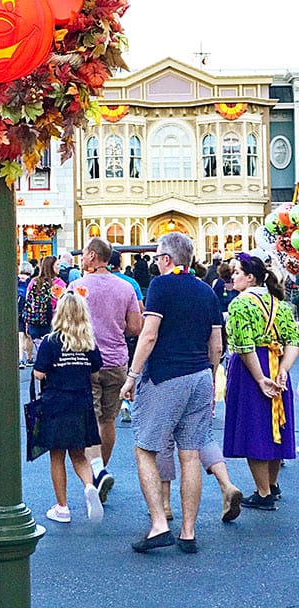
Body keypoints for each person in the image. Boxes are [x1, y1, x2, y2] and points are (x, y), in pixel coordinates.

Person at [120, 232, 222, 553]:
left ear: (166, 259)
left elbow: (148, 336)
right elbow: (216, 344)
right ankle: (188, 532)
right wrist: (210, 376)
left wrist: (132, 375)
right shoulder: (207, 292)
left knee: (145, 449)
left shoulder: (162, 286)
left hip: (167, 376)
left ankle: (159, 524)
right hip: (201, 375)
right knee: (190, 453)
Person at [223, 252, 299, 510]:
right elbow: (293, 341)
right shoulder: (280, 303)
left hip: (252, 367)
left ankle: (263, 492)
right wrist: (284, 370)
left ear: (250, 277)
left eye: (236, 273)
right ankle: (273, 484)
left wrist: (260, 378)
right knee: (275, 425)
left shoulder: (240, 304)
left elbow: (244, 346)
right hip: (277, 362)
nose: (233, 277)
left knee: (254, 428)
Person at [75, 239, 141, 503]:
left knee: (90, 418)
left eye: (84, 254)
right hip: (116, 360)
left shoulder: (78, 287)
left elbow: (66, 323)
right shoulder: (125, 287)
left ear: (92, 255)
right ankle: (103, 468)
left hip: (85, 359)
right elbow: (135, 327)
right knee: (108, 419)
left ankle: (97, 471)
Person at [33, 292, 103, 523]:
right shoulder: (88, 342)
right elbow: (95, 371)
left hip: (56, 402)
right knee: (79, 454)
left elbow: (39, 372)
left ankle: (62, 507)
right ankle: (89, 487)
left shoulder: (51, 342)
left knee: (56, 455)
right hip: (82, 402)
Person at [108, 250, 145, 423]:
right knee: (128, 367)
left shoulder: (96, 282)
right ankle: (126, 400)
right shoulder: (130, 283)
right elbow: (140, 309)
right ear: (120, 264)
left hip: (102, 336)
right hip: (124, 333)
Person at [23, 256, 66, 361]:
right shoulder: (59, 284)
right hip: (53, 322)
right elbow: (63, 303)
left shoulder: (34, 282)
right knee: (53, 354)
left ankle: (40, 370)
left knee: (40, 351)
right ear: (51, 267)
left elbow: (28, 300)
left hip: (35, 321)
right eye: (57, 265)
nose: (59, 267)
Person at [17, 260, 34, 368]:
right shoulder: (31, 281)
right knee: (29, 335)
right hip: (28, 310)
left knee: (20, 335)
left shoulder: (15, 280)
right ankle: (29, 357)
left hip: (17, 309)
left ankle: (20, 359)